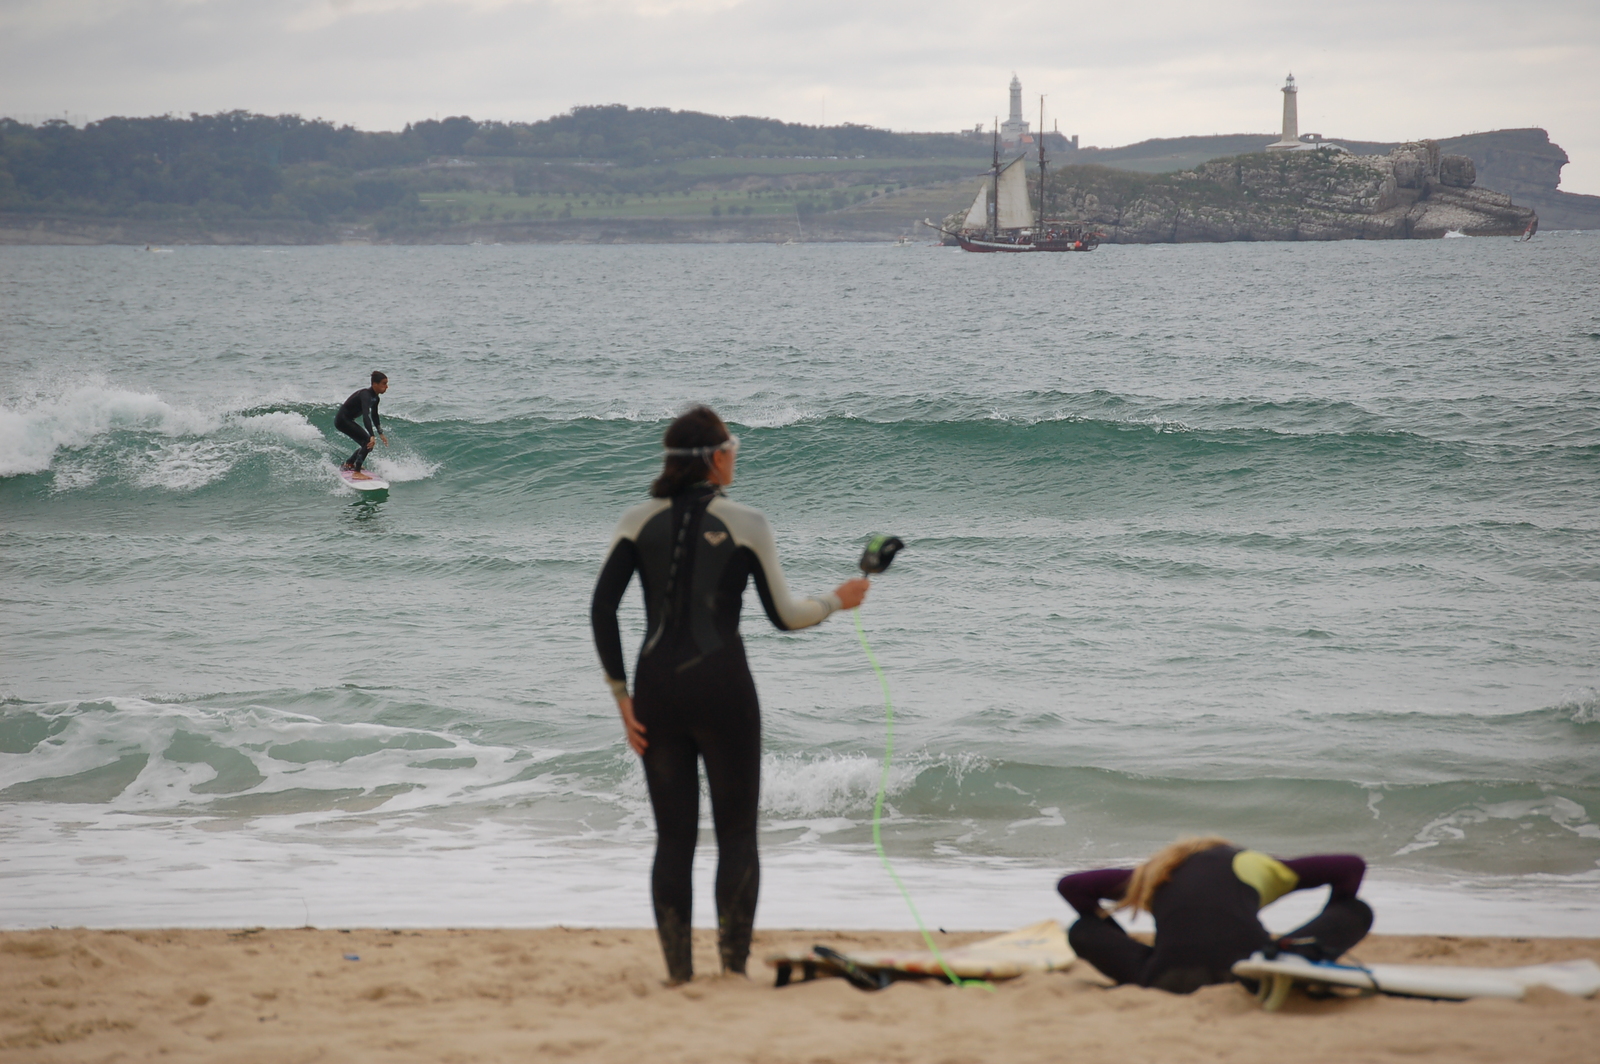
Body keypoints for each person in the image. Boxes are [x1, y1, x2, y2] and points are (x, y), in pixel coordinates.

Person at [590, 405, 869, 984]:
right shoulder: (748, 522)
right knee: (737, 833)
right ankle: (732, 970)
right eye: (732, 447)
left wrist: (622, 698)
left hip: (656, 694)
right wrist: (839, 600)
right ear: (715, 457)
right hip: (724, 693)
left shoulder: (636, 520)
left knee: (674, 839)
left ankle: (678, 975)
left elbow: (602, 609)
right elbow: (786, 617)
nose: (735, 456)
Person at [1057, 836, 1373, 994]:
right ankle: (1295, 956)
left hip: (1162, 978)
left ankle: (1149, 960)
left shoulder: (1154, 874)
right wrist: (1331, 916)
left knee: (1082, 929)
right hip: (1254, 971)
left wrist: (1115, 933)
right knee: (1356, 911)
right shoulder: (1254, 864)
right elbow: (1350, 867)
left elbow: (1072, 886)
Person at [335, 371, 389, 479]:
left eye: (386, 383)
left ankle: (350, 463)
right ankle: (357, 472)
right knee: (368, 442)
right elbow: (366, 415)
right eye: (384, 383)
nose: (386, 387)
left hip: (348, 420)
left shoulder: (376, 398)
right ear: (375, 384)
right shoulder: (365, 394)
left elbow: (374, 415)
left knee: (367, 445)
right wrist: (372, 435)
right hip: (342, 420)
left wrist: (380, 433)